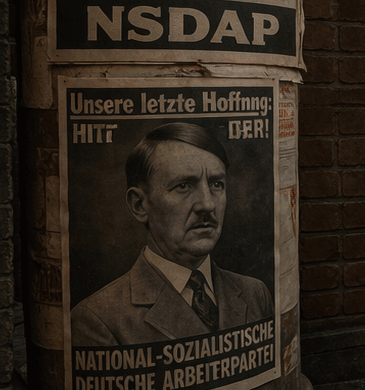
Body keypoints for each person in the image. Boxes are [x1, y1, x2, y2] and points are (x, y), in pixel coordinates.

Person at [70, 122, 273, 346]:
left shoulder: (255, 294)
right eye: (184, 186)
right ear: (139, 205)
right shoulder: (98, 320)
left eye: (216, 184)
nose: (207, 204)